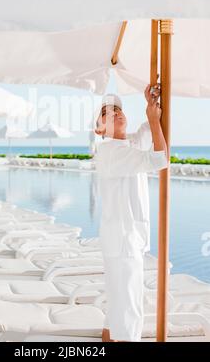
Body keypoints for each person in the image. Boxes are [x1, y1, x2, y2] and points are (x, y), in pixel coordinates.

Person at [95, 83, 168, 342]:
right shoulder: (110, 152)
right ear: (99, 129)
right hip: (123, 241)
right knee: (129, 312)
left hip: (123, 240)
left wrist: (149, 103)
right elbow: (160, 159)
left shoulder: (128, 144)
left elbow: (150, 128)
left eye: (117, 109)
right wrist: (152, 118)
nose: (115, 113)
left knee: (118, 307)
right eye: (106, 113)